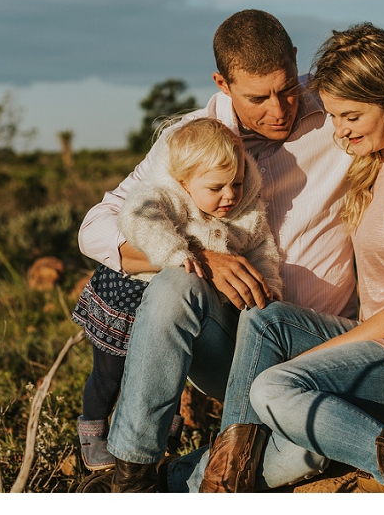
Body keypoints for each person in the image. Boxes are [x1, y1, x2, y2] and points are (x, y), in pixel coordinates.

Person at [76, 9, 384, 493]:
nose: (279, 110)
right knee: (176, 285)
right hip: (238, 337)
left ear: (296, 63)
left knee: (308, 431)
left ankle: (188, 485)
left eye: (286, 89)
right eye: (258, 98)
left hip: (327, 338)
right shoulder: (189, 142)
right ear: (223, 83)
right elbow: (95, 226)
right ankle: (132, 472)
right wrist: (197, 254)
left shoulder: (340, 110)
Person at [72, 117, 282, 472]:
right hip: (128, 295)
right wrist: (177, 254)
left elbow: (261, 247)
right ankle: (92, 430)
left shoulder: (245, 210)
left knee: (167, 372)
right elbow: (140, 219)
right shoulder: (163, 195)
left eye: (237, 183)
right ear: (185, 182)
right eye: (216, 188)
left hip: (176, 311)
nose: (230, 195)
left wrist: (268, 286)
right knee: (111, 373)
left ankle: (158, 448)